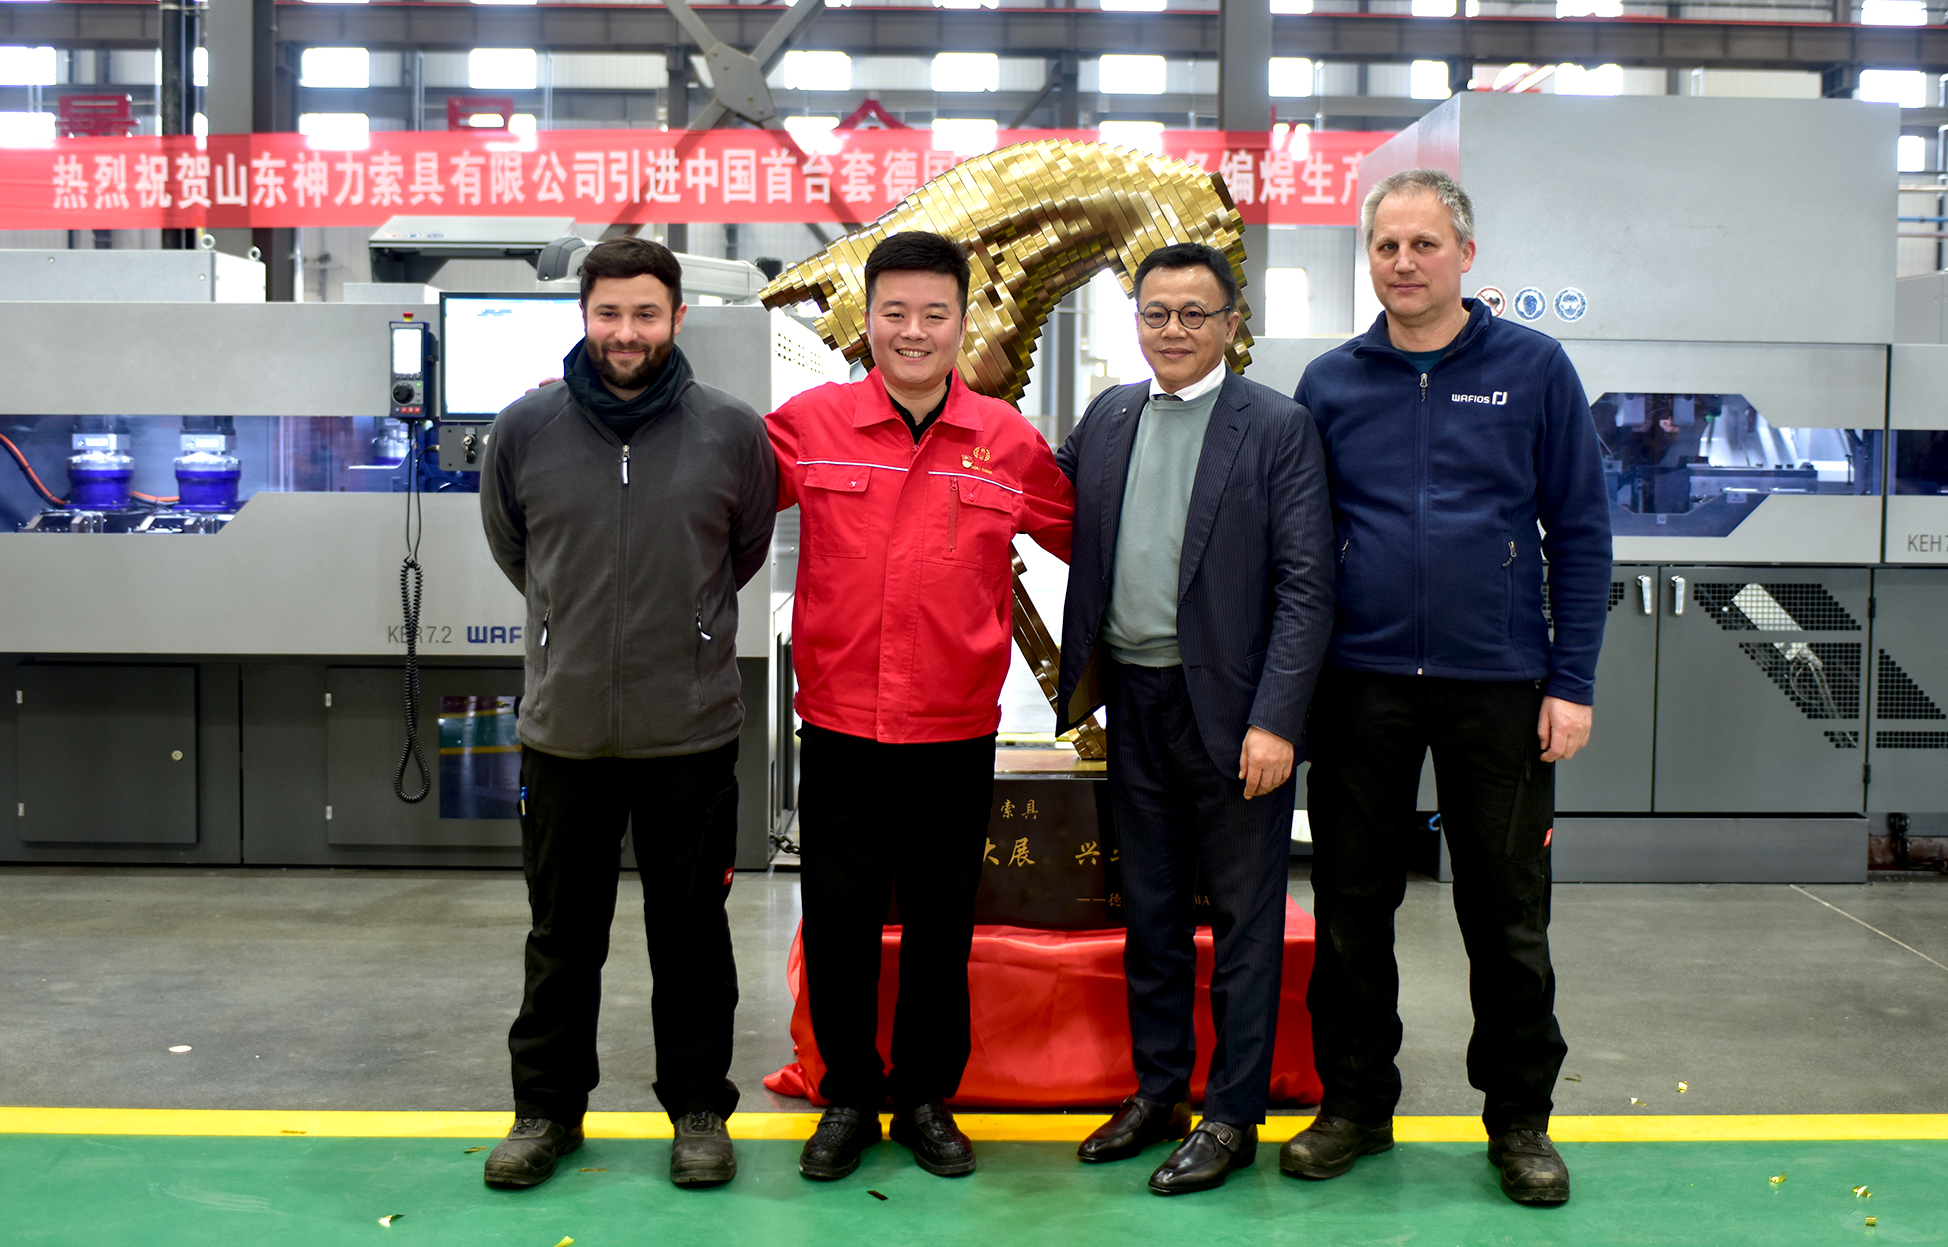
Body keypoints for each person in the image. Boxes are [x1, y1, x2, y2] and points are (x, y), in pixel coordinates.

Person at [1285, 169, 1612, 1207]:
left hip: (1500, 686)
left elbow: (1582, 532)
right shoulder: (1330, 384)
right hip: (1360, 686)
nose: (1403, 263)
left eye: (1423, 244)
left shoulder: (1533, 368)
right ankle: (1354, 1103)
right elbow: (1298, 546)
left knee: (1506, 912)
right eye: (1385, 245)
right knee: (1350, 907)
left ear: (1465, 255)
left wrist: (1570, 679)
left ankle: (1519, 1119)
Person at [764, 230, 1074, 1181]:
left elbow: (1090, 534)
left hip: (953, 727)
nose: (912, 331)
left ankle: (928, 1096)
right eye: (893, 312)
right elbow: (712, 501)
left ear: (962, 321)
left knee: (942, 924)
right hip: (841, 725)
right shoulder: (809, 425)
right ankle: (849, 1096)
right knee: (840, 921)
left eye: (933, 313)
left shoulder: (1004, 439)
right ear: (865, 320)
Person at [477, 237, 775, 1192]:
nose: (626, 332)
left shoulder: (731, 432)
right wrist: (567, 629)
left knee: (691, 936)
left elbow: (742, 548)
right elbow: (516, 548)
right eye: (609, 313)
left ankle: (698, 1109)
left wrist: (686, 628)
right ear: (584, 316)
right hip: (563, 732)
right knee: (561, 935)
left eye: (646, 313)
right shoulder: (525, 429)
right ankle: (545, 1110)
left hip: (689, 730)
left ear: (677, 318)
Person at [1051, 243, 1334, 1195]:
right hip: (1132, 700)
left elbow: (1306, 585)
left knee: (1247, 922)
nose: (1172, 329)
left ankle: (1231, 1115)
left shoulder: (1275, 426)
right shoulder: (1110, 416)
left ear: (1229, 324)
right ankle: (1159, 1091)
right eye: (1155, 312)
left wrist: (1276, 719)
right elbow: (1037, 492)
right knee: (1153, 913)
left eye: (1193, 313)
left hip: (1233, 711)